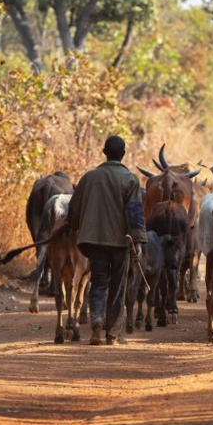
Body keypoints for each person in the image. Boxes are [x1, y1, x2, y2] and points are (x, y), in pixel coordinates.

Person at [68, 135, 147, 345]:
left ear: (104, 153)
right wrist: (138, 242)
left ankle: (97, 322)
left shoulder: (89, 177)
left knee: (98, 282)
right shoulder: (130, 179)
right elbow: (135, 213)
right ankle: (112, 334)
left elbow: (73, 208)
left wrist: (75, 228)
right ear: (123, 155)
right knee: (118, 286)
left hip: (94, 241)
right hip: (121, 243)